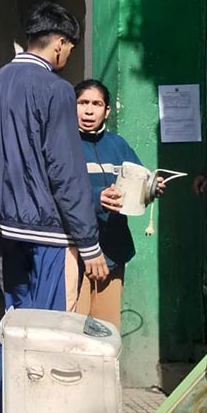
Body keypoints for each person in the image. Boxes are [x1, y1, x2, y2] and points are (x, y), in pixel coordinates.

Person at [0, 2, 107, 413]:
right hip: (47, 233)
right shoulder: (54, 90)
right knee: (43, 338)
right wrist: (88, 243)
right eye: (69, 46)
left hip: (6, 229)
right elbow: (66, 171)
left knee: (15, 329)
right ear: (60, 43)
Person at [73, 79, 171, 329]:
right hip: (75, 254)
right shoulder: (64, 145)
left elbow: (138, 185)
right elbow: (60, 192)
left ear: (107, 110)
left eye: (96, 104)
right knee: (74, 332)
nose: (89, 110)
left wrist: (151, 188)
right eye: (83, 103)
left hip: (113, 252)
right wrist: (97, 197)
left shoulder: (118, 145)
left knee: (106, 333)